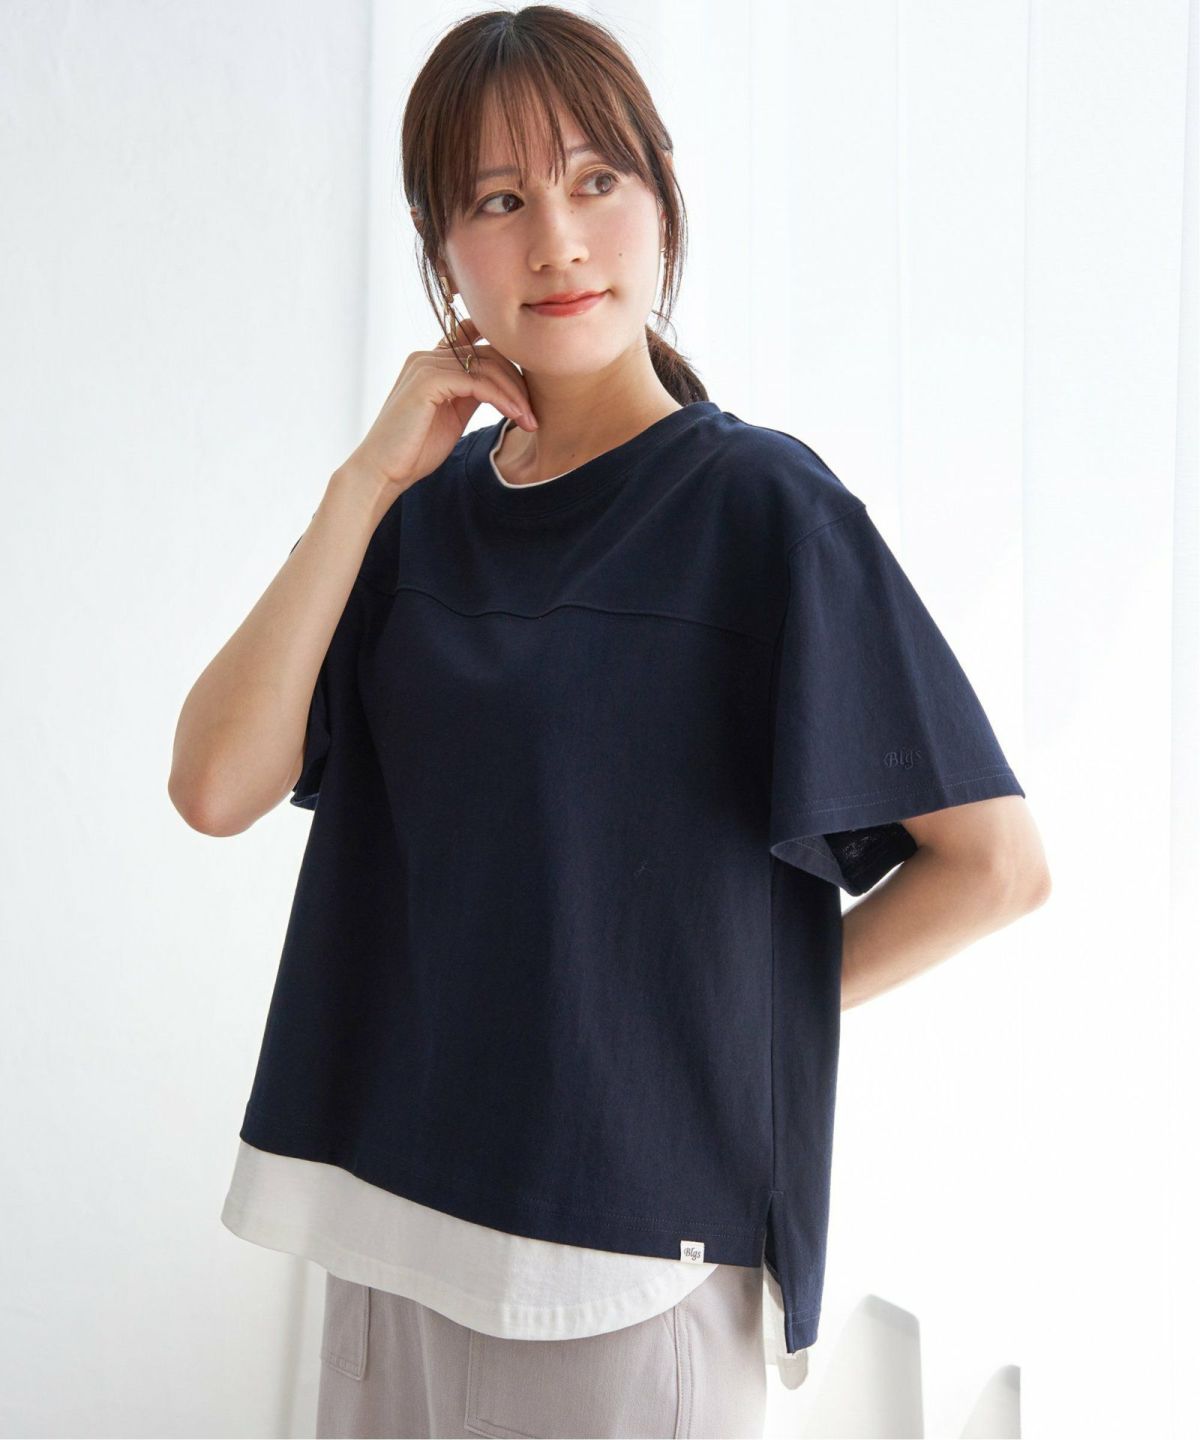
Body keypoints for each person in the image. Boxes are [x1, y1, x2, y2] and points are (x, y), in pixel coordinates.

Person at [169, 6, 1050, 1437]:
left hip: (622, 1260)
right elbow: (216, 784)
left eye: (595, 182)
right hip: (391, 1223)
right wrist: (364, 484)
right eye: (498, 202)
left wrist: (703, 1022)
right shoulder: (416, 518)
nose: (558, 243)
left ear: (663, 197)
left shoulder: (761, 512)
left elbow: (996, 865)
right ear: (443, 249)